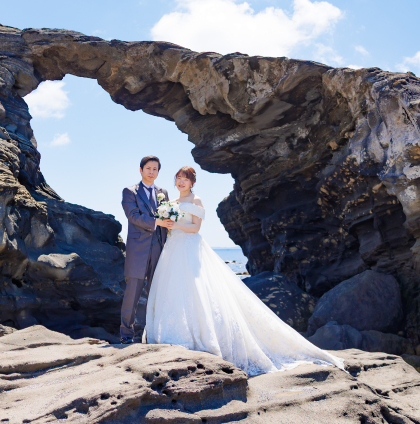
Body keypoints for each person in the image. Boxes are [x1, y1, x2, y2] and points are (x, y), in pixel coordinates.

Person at [143, 166, 346, 376]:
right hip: (173, 249)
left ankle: (202, 338)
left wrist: (175, 226)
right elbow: (166, 227)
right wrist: (167, 224)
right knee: (174, 290)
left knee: (197, 290)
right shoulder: (171, 204)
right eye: (178, 178)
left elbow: (195, 228)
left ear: (192, 182)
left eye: (185, 179)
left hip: (190, 248)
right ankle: (173, 336)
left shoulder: (196, 201)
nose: (181, 182)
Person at [118, 156, 174, 345]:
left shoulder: (163, 192)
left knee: (156, 293)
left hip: (159, 248)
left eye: (155, 169)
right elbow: (133, 216)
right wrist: (156, 222)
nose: (152, 171)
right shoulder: (130, 191)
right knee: (132, 293)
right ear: (140, 170)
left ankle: (153, 335)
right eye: (148, 168)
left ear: (158, 172)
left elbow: (167, 217)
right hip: (137, 250)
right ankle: (126, 335)